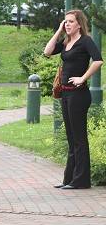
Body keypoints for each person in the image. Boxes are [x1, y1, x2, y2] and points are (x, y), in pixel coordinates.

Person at [44, 10, 103, 189]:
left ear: (79, 24)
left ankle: (81, 180)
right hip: (66, 94)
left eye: (70, 22)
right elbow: (47, 51)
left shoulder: (85, 41)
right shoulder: (66, 42)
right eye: (65, 22)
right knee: (71, 138)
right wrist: (59, 31)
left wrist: (82, 78)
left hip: (79, 95)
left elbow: (98, 60)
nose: (67, 24)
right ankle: (69, 179)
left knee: (79, 139)